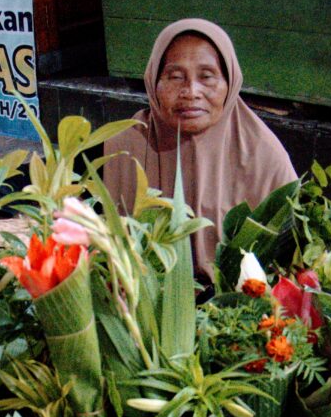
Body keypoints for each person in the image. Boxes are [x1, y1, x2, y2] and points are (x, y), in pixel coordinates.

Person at [102, 18, 297, 276]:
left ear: (230, 84)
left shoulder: (264, 157)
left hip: (240, 308)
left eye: (207, 77)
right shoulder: (120, 148)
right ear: (153, 82)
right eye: (175, 76)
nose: (191, 91)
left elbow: (291, 264)